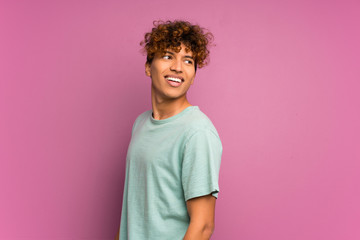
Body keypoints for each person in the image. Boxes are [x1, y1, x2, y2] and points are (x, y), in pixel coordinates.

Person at [117, 20, 223, 240]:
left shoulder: (197, 132)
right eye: (167, 56)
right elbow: (131, 212)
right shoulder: (141, 123)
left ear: (193, 75)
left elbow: (202, 226)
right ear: (148, 67)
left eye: (188, 60)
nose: (177, 67)